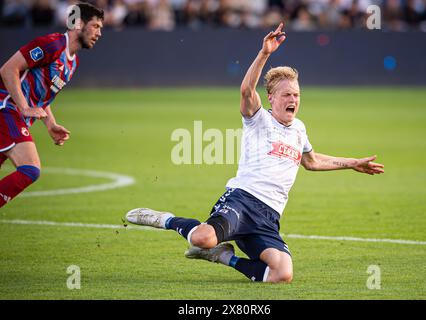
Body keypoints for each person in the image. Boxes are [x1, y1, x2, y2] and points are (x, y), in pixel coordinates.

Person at [125, 23, 385, 283]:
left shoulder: (299, 129)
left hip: (269, 217)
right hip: (243, 200)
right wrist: (264, 54)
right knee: (203, 238)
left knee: (282, 274)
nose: (293, 100)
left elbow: (312, 161)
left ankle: (223, 257)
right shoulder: (258, 119)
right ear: (271, 97)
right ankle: (166, 220)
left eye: (296, 94)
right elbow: (246, 91)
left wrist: (352, 163)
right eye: (286, 95)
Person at [0, 2, 104, 208]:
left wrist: (50, 125)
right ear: (78, 24)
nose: (99, 33)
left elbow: (43, 97)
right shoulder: (52, 44)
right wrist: (23, 107)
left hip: (14, 115)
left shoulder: (72, 63)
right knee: (30, 169)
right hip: (6, 108)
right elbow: (8, 69)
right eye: (95, 26)